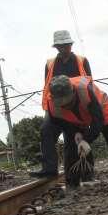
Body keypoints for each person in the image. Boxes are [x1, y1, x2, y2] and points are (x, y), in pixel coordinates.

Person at [47, 75, 108, 189]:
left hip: (101, 110)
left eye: (68, 102)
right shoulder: (51, 105)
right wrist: (76, 133)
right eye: (63, 104)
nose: (66, 106)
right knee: (70, 144)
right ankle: (72, 183)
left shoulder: (84, 90)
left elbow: (98, 121)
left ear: (73, 92)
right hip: (76, 120)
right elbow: (61, 124)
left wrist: (86, 139)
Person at [30, 30, 93, 178]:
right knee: (46, 130)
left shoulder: (82, 60)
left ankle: (85, 173)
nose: (65, 48)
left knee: (76, 139)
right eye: (62, 46)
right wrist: (48, 109)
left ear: (71, 44)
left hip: (76, 106)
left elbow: (89, 84)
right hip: (57, 106)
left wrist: (86, 108)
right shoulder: (50, 64)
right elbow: (48, 86)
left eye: (67, 45)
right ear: (57, 47)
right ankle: (49, 169)